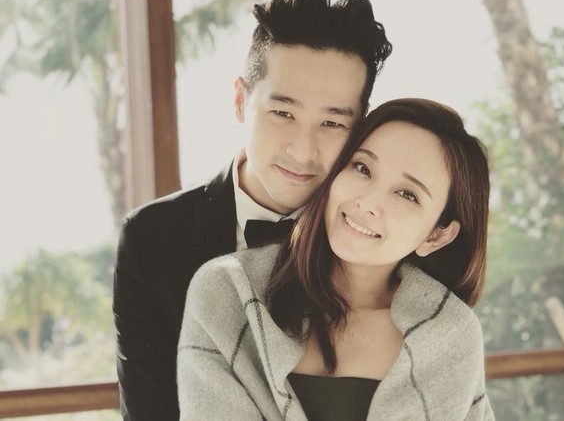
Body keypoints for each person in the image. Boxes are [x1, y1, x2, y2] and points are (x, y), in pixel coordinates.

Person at [113, 0, 392, 421]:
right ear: (242, 101)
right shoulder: (152, 239)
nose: (303, 150)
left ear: (360, 127)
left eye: (332, 123)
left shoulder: (385, 233)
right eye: (283, 113)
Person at [178, 98, 495, 421]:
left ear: (436, 236)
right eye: (363, 168)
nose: (367, 203)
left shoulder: (449, 336)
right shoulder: (228, 291)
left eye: (407, 194)